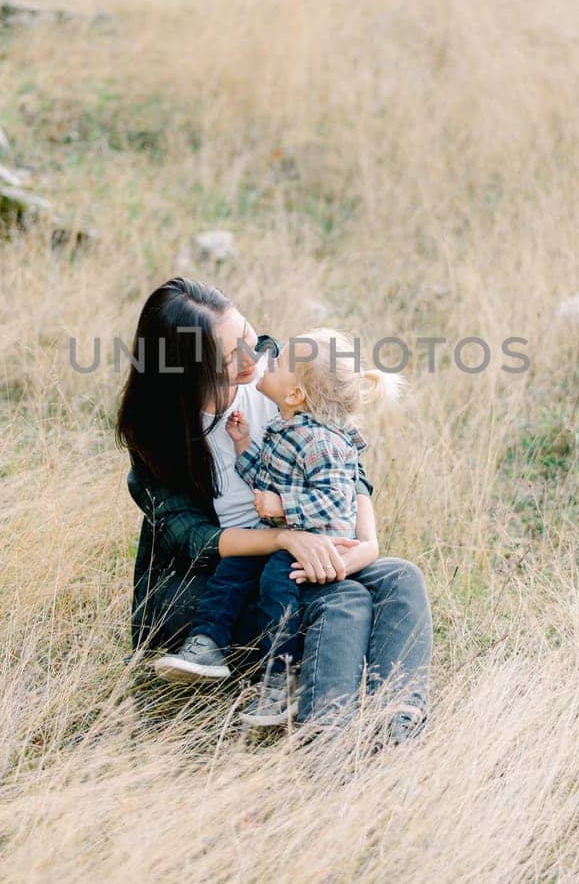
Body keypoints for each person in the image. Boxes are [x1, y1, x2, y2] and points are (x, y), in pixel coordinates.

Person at [116, 277, 431, 743]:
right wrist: (287, 538)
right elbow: (194, 538)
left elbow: (343, 451)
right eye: (231, 357)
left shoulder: (281, 376)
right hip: (214, 586)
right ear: (189, 372)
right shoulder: (157, 436)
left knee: (400, 578)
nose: (253, 357)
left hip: (294, 554)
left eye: (247, 335)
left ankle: (397, 716)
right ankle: (325, 731)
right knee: (341, 599)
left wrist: (366, 544)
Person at [152, 328, 403, 727]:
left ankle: (282, 673)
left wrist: (286, 507)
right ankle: (207, 643)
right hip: (277, 533)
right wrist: (243, 444)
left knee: (276, 584)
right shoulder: (284, 427)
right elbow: (263, 480)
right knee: (233, 570)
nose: (264, 358)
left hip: (318, 541)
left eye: (279, 362)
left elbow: (335, 500)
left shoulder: (321, 441)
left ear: (294, 395)